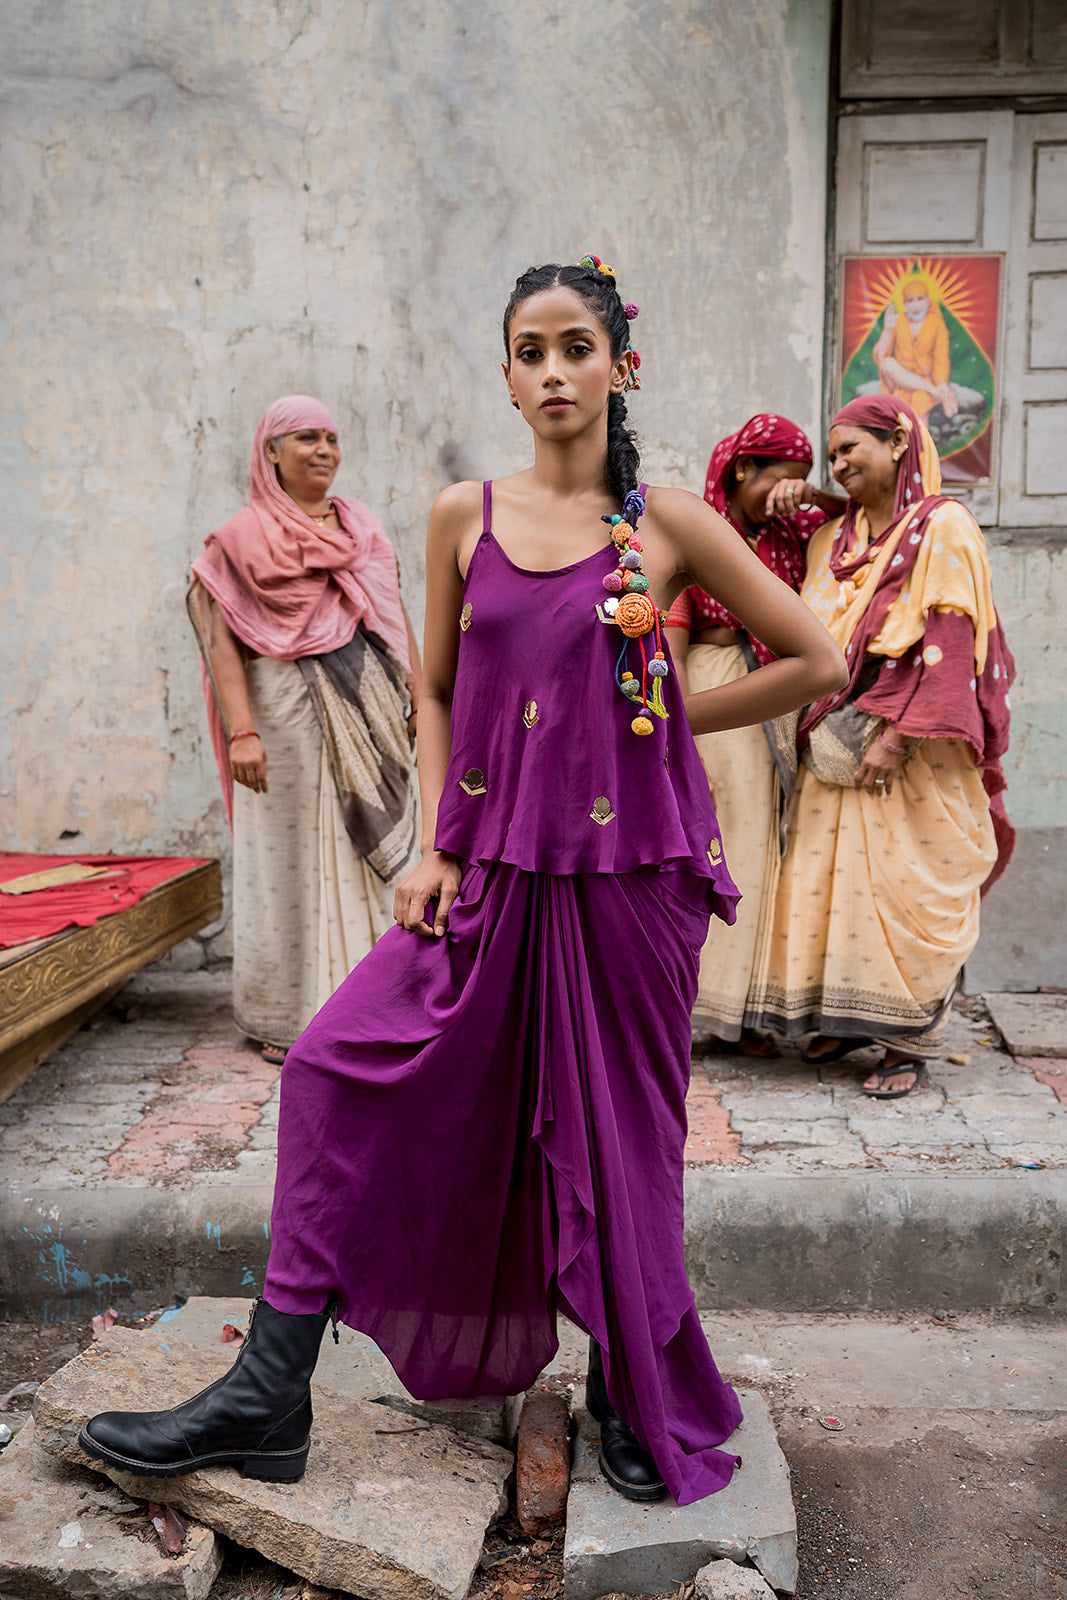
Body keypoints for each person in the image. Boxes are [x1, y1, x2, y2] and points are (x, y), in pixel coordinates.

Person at [81, 260, 845, 1507]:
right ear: (505, 376)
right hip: (488, 868)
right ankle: (267, 1392)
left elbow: (816, 658)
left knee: (621, 1139)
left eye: (575, 346)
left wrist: (663, 711)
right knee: (331, 1069)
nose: (553, 371)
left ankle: (627, 1387)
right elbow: (434, 689)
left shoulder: (664, 526)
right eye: (529, 351)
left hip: (628, 883)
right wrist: (436, 845)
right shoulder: (459, 517)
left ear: (621, 365)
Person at [752, 394, 1014, 1097]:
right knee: (831, 891)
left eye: (850, 449)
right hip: (832, 740)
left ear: (898, 442)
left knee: (903, 893)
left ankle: (903, 1043)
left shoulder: (942, 525)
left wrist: (896, 737)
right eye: (831, 455)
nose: (838, 464)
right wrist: (808, 498)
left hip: (907, 752)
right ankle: (847, 1022)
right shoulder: (830, 541)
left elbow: (951, 640)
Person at [186, 395, 420, 1062]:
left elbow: (393, 613)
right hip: (282, 720)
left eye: (331, 438)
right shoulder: (239, 539)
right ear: (271, 452)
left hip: (370, 711)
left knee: (369, 857)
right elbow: (222, 641)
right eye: (306, 438)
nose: (323, 450)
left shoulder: (361, 528)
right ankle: (290, 1013)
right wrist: (242, 731)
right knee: (288, 859)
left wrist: (416, 696)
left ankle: (379, 1003)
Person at [665, 415, 843, 1055]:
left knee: (771, 846)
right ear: (743, 468)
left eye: (799, 480)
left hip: (779, 696)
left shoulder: (794, 533)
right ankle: (710, 1007)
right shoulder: (699, 532)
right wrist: (677, 730)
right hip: (717, 696)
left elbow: (862, 515)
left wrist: (812, 495)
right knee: (732, 840)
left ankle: (748, 1012)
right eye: (781, 478)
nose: (787, 492)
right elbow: (670, 638)